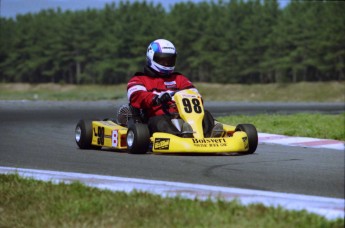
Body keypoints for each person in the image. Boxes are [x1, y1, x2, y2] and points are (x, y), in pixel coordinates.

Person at [127, 39, 222, 137]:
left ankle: (209, 135)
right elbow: (137, 96)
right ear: (151, 57)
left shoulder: (179, 79)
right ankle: (182, 136)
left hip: (184, 117)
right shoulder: (139, 79)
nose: (167, 63)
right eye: (162, 60)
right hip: (155, 118)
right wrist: (156, 98)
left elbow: (195, 94)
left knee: (205, 114)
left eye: (170, 60)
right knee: (160, 121)